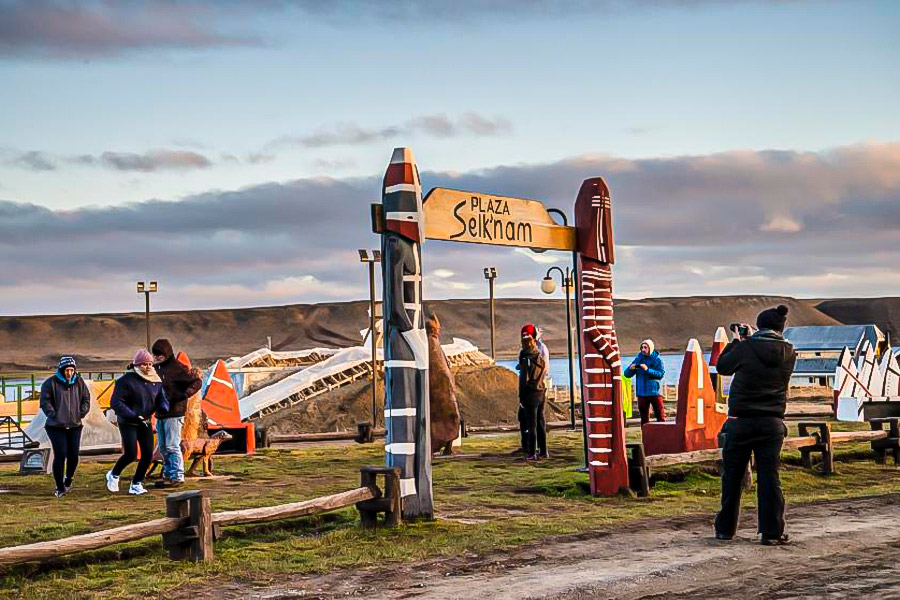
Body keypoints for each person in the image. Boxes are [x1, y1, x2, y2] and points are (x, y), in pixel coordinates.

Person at [713, 305, 796, 545]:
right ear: (781, 327)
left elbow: (723, 366)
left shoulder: (747, 347)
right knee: (770, 477)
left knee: (732, 477)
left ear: (759, 325)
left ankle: (725, 530)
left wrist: (738, 341)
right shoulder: (789, 352)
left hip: (741, 421)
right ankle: (772, 532)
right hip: (772, 422)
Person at [106, 349, 169, 495]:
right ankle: (114, 474)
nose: (147, 367)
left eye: (150, 364)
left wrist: (164, 407)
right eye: (144, 364)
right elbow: (116, 402)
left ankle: (136, 483)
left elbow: (161, 397)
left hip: (145, 421)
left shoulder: (156, 380)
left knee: (147, 455)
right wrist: (132, 415)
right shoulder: (125, 381)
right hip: (128, 421)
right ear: (137, 365)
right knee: (131, 453)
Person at [151, 338, 202, 488]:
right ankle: (168, 474)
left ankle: (177, 476)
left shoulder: (178, 368)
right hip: (161, 412)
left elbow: (196, 382)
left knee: (172, 445)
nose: (157, 357)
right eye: (155, 354)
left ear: (166, 353)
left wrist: (184, 395)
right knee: (163, 447)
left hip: (174, 412)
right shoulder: (157, 369)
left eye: (159, 354)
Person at [39, 356, 90, 497]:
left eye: (72, 370)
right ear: (62, 370)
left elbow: (86, 398)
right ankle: (59, 487)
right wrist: (52, 413)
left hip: (75, 425)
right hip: (55, 426)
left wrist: (82, 412)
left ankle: (68, 478)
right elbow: (45, 401)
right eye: (67, 370)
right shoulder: (50, 383)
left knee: (73, 455)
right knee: (60, 454)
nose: (69, 373)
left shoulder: (79, 382)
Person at [517, 330, 548, 461]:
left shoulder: (526, 359)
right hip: (541, 391)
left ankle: (531, 452)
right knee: (541, 423)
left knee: (531, 425)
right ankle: (543, 451)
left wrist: (521, 396)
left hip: (530, 394)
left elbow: (524, 379)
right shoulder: (539, 357)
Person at [624, 339, 666, 425]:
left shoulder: (657, 360)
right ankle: (646, 436)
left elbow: (660, 374)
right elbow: (626, 374)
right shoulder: (638, 359)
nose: (643, 349)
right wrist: (630, 369)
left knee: (660, 416)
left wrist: (647, 369)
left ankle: (662, 436)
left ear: (650, 348)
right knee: (644, 419)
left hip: (654, 392)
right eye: (642, 347)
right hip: (642, 393)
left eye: (645, 347)